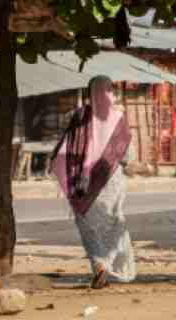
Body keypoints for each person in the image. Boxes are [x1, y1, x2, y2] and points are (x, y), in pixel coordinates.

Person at [50, 75, 135, 289]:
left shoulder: (80, 116)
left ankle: (99, 265)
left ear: (89, 92)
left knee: (87, 226)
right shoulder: (119, 119)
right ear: (110, 92)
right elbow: (127, 157)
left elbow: (65, 150)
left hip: (84, 183)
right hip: (112, 180)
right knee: (114, 223)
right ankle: (108, 264)